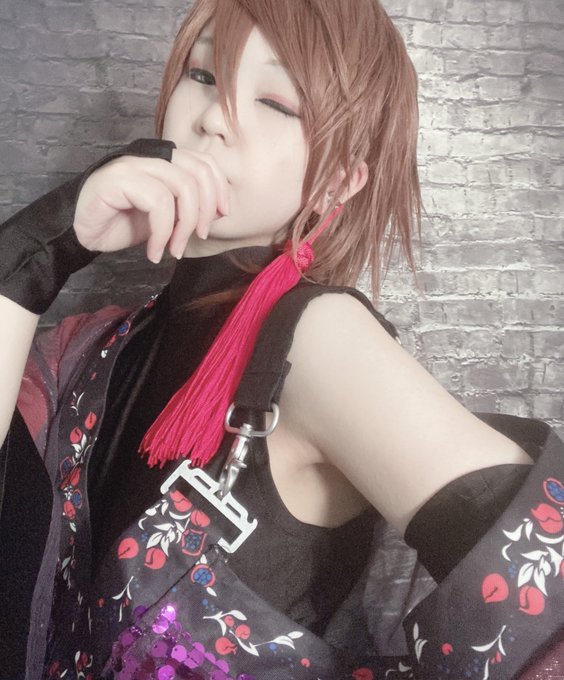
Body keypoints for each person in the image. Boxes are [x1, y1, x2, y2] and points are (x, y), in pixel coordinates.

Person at [0, 0, 562, 678]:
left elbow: (542, 580)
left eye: (274, 102)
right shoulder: (99, 345)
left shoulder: (318, 341)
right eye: (203, 76)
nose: (213, 118)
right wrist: (36, 253)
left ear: (338, 181)